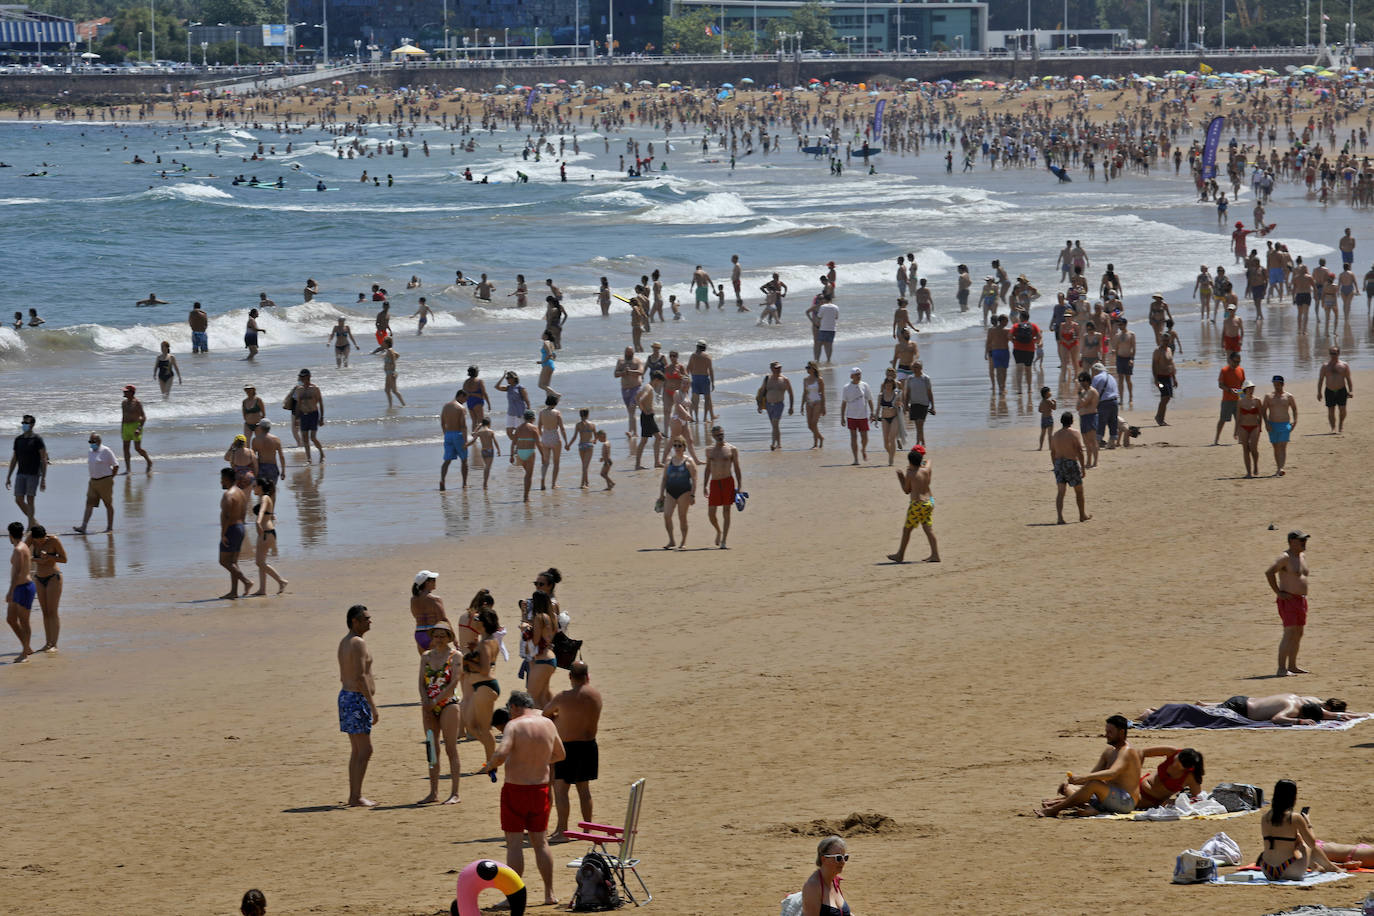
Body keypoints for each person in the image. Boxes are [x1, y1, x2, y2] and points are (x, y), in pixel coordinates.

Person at [490, 691, 564, 906]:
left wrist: (491, 765)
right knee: (541, 843)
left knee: (514, 844)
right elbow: (560, 754)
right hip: (540, 788)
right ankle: (549, 894)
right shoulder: (548, 724)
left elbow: (502, 753)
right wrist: (538, 759)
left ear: (513, 707)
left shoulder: (514, 725)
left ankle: (512, 896)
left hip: (516, 789)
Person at [543, 661, 602, 840]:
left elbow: (545, 714)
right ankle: (587, 830)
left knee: (561, 790)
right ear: (587, 676)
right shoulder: (596, 695)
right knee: (584, 790)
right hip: (589, 746)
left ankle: (562, 831)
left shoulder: (562, 697)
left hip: (567, 747)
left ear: (570, 677)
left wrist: (558, 718)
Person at [1037, 716, 1141, 817]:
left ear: (1121, 732)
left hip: (1126, 802)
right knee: (1069, 787)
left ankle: (1054, 809)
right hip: (1109, 796)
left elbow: (1112, 773)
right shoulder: (1109, 752)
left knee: (1093, 784)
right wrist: (1076, 780)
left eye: (1110, 732)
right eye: (1106, 731)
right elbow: (1093, 775)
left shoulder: (1128, 752)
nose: (1106, 735)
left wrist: (1084, 777)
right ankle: (1087, 808)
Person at [417, 619, 462, 805]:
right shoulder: (426, 656)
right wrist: (425, 701)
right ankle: (433, 792)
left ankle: (455, 793)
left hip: (448, 704)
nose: (439, 639)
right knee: (431, 748)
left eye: (443, 636)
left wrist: (436, 700)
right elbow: (421, 681)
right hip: (428, 705)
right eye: (436, 636)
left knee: (450, 747)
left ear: (449, 637)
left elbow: (454, 683)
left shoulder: (455, 656)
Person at [1259, 780, 1342, 880]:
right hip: (1291, 870)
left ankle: (1315, 866)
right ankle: (1330, 867)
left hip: (1267, 870)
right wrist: (1308, 824)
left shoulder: (1265, 818)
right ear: (1292, 797)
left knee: (1295, 840)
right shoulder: (1295, 818)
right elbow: (1312, 843)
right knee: (1304, 844)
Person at [338, 604, 379, 807]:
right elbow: (361, 676)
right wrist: (372, 705)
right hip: (355, 698)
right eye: (366, 618)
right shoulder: (358, 642)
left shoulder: (345, 642)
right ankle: (356, 796)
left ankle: (354, 795)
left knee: (357, 750)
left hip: (346, 696)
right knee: (365, 750)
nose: (370, 621)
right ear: (355, 621)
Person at [462, 604, 503, 770]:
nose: (474, 620)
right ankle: (492, 760)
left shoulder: (486, 643)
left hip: (485, 686)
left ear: (484, 622)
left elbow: (485, 670)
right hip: (482, 687)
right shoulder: (487, 641)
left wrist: (469, 661)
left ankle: (491, 764)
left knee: (484, 729)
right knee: (470, 725)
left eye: (477, 619)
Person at [1266, 530, 1310, 677]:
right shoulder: (1285, 557)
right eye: (1301, 540)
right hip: (1289, 600)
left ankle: (1292, 666)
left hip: (1301, 600)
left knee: (1298, 633)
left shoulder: (1302, 556)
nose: (1304, 543)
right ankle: (1281, 668)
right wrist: (1278, 592)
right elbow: (1269, 572)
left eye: (1305, 540)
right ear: (1292, 541)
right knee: (1289, 633)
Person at [888, 445, 938, 563]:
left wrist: (901, 477)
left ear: (910, 462)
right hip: (928, 503)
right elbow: (929, 462)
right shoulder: (926, 470)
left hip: (917, 505)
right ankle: (935, 555)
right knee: (928, 529)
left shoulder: (910, 473)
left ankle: (900, 555)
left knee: (907, 530)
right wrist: (923, 462)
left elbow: (906, 490)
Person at [1190, 694, 1361, 726]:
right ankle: (1203, 707)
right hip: (1240, 709)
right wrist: (1298, 721)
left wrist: (1358, 714)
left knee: (1220, 706)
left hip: (1243, 700)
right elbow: (1276, 719)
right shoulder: (1293, 709)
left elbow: (1327, 714)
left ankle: (1206, 704)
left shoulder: (1307, 699)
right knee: (1206, 715)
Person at [703, 425, 742, 549]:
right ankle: (718, 531)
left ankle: (724, 540)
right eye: (717, 435)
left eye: (721, 434)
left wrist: (740, 485)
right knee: (711, 513)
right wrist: (704, 485)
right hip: (714, 483)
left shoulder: (732, 449)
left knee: (726, 511)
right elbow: (708, 468)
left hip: (728, 482)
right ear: (713, 436)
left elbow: (736, 468)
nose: (720, 436)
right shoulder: (709, 450)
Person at [1049, 412, 1090, 524]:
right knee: (1079, 491)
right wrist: (1083, 467)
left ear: (1061, 421)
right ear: (1072, 421)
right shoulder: (1074, 433)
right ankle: (1082, 515)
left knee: (1061, 492)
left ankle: (1060, 518)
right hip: (1070, 463)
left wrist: (1055, 466)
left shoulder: (1055, 435)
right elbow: (1079, 451)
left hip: (1058, 463)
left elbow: (1052, 452)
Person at [218, 468, 253, 599]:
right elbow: (243, 513)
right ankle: (233, 592)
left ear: (227, 479)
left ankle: (246, 582)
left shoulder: (228, 494)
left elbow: (226, 515)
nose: (220, 481)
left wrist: (223, 534)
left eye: (221, 478)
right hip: (240, 528)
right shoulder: (241, 493)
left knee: (223, 561)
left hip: (231, 529)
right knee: (233, 562)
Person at [7, 414, 48, 528]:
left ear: (32, 425)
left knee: (30, 500)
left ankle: (30, 526)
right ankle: (34, 522)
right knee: (18, 499)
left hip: (33, 474)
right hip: (20, 473)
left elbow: (43, 459)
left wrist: (43, 478)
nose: (24, 425)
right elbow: (14, 458)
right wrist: (8, 476)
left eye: (26, 423)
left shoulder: (37, 439)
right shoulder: (18, 439)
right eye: (23, 423)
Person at [74, 433, 118, 534]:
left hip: (105, 481)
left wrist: (111, 478)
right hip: (93, 481)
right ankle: (83, 527)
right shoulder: (90, 451)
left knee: (108, 504)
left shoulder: (106, 451)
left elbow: (116, 465)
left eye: (93, 441)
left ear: (99, 441)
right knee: (89, 504)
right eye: (90, 441)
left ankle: (110, 527)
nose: (91, 444)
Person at [1135, 747, 1204, 809]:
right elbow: (1141, 752)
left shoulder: (1190, 777)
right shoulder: (1172, 752)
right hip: (1136, 785)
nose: (1174, 765)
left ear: (1187, 768)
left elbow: (1198, 799)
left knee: (1127, 801)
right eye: (1176, 759)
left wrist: (1174, 801)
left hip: (1148, 800)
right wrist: (1135, 774)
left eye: (1178, 765)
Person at [250, 479, 287, 595]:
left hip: (266, 533)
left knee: (259, 562)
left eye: (255, 486)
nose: (253, 488)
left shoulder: (265, 498)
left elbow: (261, 511)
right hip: (267, 532)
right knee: (262, 562)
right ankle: (262, 590)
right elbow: (269, 513)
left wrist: (258, 522)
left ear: (260, 487)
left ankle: (281, 581)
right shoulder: (266, 498)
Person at [659, 438, 696, 550]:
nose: (677, 448)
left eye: (679, 446)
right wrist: (661, 494)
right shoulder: (669, 461)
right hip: (670, 492)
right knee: (667, 515)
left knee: (682, 517)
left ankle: (683, 542)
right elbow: (664, 479)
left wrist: (692, 495)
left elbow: (694, 480)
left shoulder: (689, 462)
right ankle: (671, 540)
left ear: (684, 447)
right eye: (675, 446)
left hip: (684, 492)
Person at [799, 836, 850, 916]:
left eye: (845, 857)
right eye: (838, 858)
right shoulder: (813, 886)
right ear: (824, 859)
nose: (843, 862)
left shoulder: (835, 880)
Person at [7, 520, 35, 662]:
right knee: (11, 619)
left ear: (10, 535)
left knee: (24, 621)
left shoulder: (19, 549)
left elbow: (17, 573)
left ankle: (25, 654)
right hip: (18, 588)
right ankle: (27, 646)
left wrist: (10, 591)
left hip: (23, 588)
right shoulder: (22, 545)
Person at [1262, 375, 1298, 476]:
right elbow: (1263, 410)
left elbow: (1294, 409)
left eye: (1278, 384)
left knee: (1282, 446)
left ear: (1282, 384)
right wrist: (1266, 423)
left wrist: (1295, 421)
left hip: (1285, 424)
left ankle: (1281, 468)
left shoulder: (1288, 396)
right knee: (1276, 447)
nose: (1276, 386)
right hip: (1272, 424)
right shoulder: (1268, 396)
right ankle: (1279, 467)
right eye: (1274, 384)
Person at [288, 370, 325, 464]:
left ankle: (321, 453)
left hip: (313, 414)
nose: (302, 379)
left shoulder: (315, 388)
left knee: (313, 437)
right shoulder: (299, 389)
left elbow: (320, 403)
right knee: (305, 438)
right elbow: (298, 404)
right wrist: (296, 418)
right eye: (301, 377)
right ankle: (309, 459)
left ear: (308, 377)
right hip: (303, 415)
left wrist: (322, 417)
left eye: (303, 377)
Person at [839, 368, 874, 465]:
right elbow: (843, 403)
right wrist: (842, 417)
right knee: (853, 437)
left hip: (863, 416)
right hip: (851, 416)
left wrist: (872, 412)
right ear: (851, 376)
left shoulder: (865, 385)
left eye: (859, 374)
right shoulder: (846, 387)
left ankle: (863, 449)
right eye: (856, 374)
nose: (858, 376)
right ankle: (856, 459)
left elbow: (870, 400)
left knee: (865, 438)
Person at [757, 362, 794, 452]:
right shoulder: (767, 379)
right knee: (774, 426)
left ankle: (773, 443)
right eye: (776, 368)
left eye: (780, 368)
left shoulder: (785, 380)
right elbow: (761, 392)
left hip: (779, 404)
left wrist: (791, 407)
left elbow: (791, 393)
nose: (778, 369)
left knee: (775, 423)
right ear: (771, 369)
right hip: (768, 405)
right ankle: (779, 444)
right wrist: (759, 405)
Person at [1316, 346, 1353, 434]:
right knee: (1331, 410)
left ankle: (1341, 425)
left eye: (1335, 353)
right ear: (1329, 354)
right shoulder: (1325, 366)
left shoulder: (1344, 365)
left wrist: (1350, 390)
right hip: (1329, 390)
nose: (1333, 355)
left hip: (1341, 390)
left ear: (1338, 353)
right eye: (1331, 353)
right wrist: (1319, 392)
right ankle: (1333, 428)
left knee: (1342, 409)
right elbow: (1321, 380)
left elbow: (1348, 379)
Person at [440, 391, 470, 491]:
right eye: (465, 399)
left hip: (448, 434)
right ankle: (464, 483)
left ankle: (442, 480)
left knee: (447, 461)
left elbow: (442, 423)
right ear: (461, 396)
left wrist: (446, 435)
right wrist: (465, 441)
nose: (465, 401)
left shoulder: (446, 406)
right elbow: (463, 426)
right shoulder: (461, 408)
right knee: (464, 460)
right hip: (458, 435)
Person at [1215, 351, 1246, 445]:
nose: (1237, 364)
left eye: (1239, 362)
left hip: (1238, 400)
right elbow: (1220, 385)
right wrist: (1229, 390)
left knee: (1240, 420)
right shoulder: (1224, 370)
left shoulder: (1241, 370)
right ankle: (1216, 440)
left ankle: (1240, 439)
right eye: (1235, 361)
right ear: (1230, 360)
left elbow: (1242, 385)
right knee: (1222, 420)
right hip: (1227, 400)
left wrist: (1243, 398)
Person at [120, 386, 152, 473]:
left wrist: (139, 428)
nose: (124, 393)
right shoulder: (123, 403)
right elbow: (123, 416)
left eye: (126, 391)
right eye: (124, 391)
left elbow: (144, 416)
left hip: (135, 426)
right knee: (125, 448)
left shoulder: (137, 403)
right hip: (126, 426)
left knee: (137, 448)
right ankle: (128, 470)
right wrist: (122, 428)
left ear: (131, 392)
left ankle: (149, 461)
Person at [613, 347, 644, 436]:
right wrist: (623, 373)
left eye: (631, 353)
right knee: (630, 411)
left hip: (635, 388)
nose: (629, 354)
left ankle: (631, 431)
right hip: (625, 389)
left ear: (633, 353)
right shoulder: (621, 361)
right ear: (625, 352)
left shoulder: (637, 361)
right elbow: (615, 374)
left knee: (632, 408)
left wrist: (630, 371)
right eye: (627, 353)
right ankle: (635, 432)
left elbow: (641, 372)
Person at [1235, 381, 1263, 477]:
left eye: (1252, 388)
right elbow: (1238, 417)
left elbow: (1260, 415)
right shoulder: (1240, 401)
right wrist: (1235, 431)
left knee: (1253, 447)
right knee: (1245, 449)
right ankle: (1248, 472)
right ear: (1245, 390)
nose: (1251, 390)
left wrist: (1261, 427)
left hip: (1255, 426)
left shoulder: (1257, 400)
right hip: (1243, 427)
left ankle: (1255, 465)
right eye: (1249, 388)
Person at [513, 410, 540, 502]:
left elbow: (513, 443)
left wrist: (511, 455)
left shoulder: (519, 428)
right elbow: (538, 443)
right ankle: (526, 497)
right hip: (530, 452)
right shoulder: (534, 428)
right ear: (532, 418)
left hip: (520, 452)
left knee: (527, 474)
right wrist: (543, 456)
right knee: (528, 475)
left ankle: (526, 496)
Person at [1151, 335, 1177, 427]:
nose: (1165, 341)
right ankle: (1159, 418)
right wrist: (1156, 380)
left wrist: (1174, 378)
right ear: (1161, 340)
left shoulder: (1169, 350)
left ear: (1169, 340)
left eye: (1167, 340)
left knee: (1168, 397)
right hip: (1160, 378)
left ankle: (1161, 418)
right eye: (1163, 340)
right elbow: (1154, 365)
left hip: (1168, 377)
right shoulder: (1157, 351)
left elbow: (1171, 364)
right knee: (1164, 397)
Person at [686, 341, 715, 422]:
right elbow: (711, 370)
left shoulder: (693, 356)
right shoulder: (707, 357)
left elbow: (688, 368)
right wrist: (713, 383)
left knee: (695, 400)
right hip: (705, 379)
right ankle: (705, 418)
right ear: (704, 347)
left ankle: (696, 418)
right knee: (707, 400)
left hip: (695, 379)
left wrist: (686, 379)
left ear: (697, 347)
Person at [806, 294, 840, 362]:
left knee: (826, 343)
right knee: (817, 343)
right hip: (816, 326)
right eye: (819, 299)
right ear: (817, 300)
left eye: (822, 298)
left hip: (824, 327)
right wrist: (812, 321)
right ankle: (816, 359)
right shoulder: (816, 306)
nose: (821, 300)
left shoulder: (824, 307)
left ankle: (827, 359)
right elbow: (807, 312)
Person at [802, 362, 826, 449]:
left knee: (814, 423)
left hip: (817, 402)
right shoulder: (805, 379)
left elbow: (823, 394)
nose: (807, 369)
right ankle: (821, 438)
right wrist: (801, 405)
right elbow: (804, 393)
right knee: (809, 425)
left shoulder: (819, 379)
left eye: (809, 367)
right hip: (809, 403)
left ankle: (815, 444)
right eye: (806, 367)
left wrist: (824, 407)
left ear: (813, 368)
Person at [375, 337, 405, 408]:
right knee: (387, 390)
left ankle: (403, 404)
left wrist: (393, 372)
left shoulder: (390, 351)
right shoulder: (389, 351)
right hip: (388, 373)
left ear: (387, 343)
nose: (382, 343)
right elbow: (398, 355)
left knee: (394, 391)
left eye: (383, 342)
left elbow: (394, 362)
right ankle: (390, 406)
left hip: (391, 373)